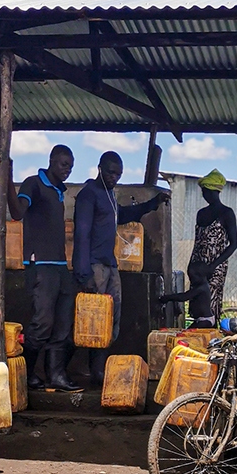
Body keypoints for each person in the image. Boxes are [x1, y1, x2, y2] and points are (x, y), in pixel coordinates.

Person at [73, 151, 169, 384]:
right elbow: (81, 234)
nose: (114, 177)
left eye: (118, 174)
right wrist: (83, 272)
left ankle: (98, 369)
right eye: (110, 172)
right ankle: (87, 370)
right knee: (92, 321)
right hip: (94, 266)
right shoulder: (89, 195)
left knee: (110, 317)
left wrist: (151, 205)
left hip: (109, 264)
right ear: (99, 168)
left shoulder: (109, 195)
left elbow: (123, 215)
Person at [5, 144, 82, 392]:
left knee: (63, 323)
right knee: (42, 324)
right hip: (40, 266)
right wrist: (6, 177)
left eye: (70, 166)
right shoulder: (33, 184)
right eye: (63, 164)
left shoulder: (59, 190)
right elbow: (17, 212)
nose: (67, 170)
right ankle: (27, 374)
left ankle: (56, 375)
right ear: (51, 160)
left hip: (60, 266)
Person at [189, 169, 237, 321]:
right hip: (198, 267)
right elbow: (198, 243)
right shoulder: (201, 213)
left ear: (212, 191)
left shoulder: (227, 213)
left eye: (204, 191)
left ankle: (211, 336)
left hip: (216, 267)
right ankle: (197, 334)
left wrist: (213, 266)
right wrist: (192, 265)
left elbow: (233, 244)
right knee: (196, 302)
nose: (203, 195)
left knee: (211, 303)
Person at [158, 262, 215, 328]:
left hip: (205, 320)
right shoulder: (203, 285)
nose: (191, 280)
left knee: (187, 335)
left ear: (200, 276)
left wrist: (167, 298)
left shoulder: (201, 288)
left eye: (192, 277)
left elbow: (184, 297)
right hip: (202, 319)